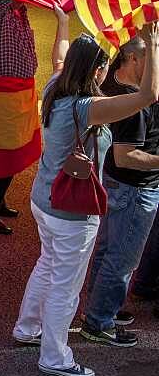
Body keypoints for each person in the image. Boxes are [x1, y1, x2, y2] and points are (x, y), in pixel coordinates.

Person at [13, 28, 159, 376]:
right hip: (71, 212)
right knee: (66, 282)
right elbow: (149, 94)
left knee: (48, 264)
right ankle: (55, 356)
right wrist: (152, 45)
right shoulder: (85, 108)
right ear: (96, 71)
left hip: (45, 200)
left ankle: (27, 328)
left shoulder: (54, 88)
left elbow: (60, 54)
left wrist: (62, 21)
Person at [81, 36, 159, 347]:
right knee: (122, 259)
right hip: (134, 190)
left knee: (107, 251)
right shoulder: (133, 106)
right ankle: (100, 321)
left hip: (115, 185)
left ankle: (97, 309)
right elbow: (125, 156)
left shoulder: (113, 84)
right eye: (152, 58)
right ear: (134, 60)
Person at [0, 0, 66, 235]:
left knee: (15, 150)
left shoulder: (18, 11)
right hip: (2, 92)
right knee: (0, 153)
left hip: (20, 90)